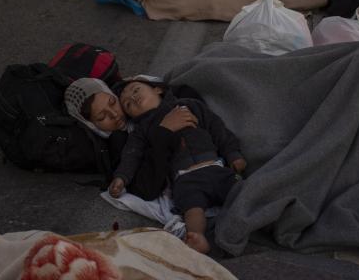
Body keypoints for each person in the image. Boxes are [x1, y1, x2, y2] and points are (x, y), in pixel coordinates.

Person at [111, 79, 245, 253]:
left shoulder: (189, 105)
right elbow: (131, 157)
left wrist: (233, 154)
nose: (133, 98)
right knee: (192, 208)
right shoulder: (141, 132)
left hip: (216, 167)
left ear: (157, 89)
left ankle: (257, 216)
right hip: (185, 177)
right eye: (128, 104)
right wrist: (122, 177)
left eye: (135, 90)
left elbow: (217, 129)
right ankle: (196, 237)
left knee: (240, 190)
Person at [64, 77, 200, 202]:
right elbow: (146, 188)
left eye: (112, 103)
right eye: (101, 117)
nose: (114, 114)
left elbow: (183, 93)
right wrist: (163, 133)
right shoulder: (118, 147)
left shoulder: (129, 93)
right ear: (92, 126)